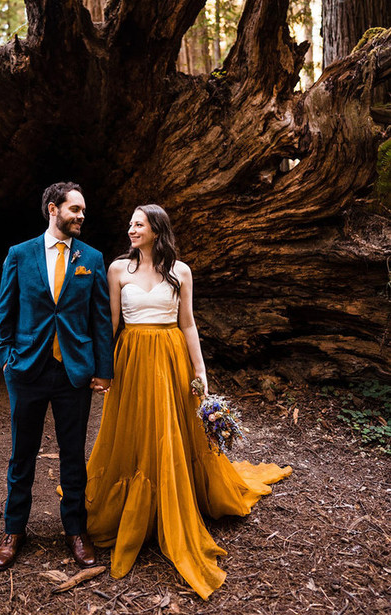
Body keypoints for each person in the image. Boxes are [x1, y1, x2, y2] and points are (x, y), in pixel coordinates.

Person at [85, 204, 292, 599]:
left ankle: (180, 497)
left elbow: (188, 322)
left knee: (171, 428)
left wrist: (200, 371)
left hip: (170, 356)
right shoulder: (116, 270)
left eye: (138, 224)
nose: (130, 229)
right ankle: (135, 506)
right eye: (129, 223)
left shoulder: (180, 272)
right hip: (131, 357)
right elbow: (111, 323)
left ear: (156, 230)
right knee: (136, 428)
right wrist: (101, 367)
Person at [0, 182, 113, 571]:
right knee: (21, 454)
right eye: (74, 209)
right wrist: (6, 359)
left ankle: (76, 532)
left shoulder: (91, 258)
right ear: (52, 209)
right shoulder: (19, 254)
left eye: (82, 211)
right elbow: (4, 314)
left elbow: (100, 321)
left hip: (73, 373)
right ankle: (13, 531)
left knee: (73, 456)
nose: (80, 216)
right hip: (26, 370)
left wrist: (102, 370)